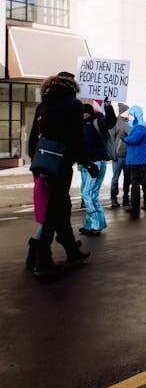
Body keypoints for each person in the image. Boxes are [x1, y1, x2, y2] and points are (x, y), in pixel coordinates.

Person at [27, 71, 99, 276]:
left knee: (61, 205)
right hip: (61, 164)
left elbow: (34, 138)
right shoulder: (72, 105)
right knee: (55, 208)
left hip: (44, 164)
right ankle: (42, 256)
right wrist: (87, 162)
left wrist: (37, 162)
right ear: (71, 85)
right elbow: (75, 138)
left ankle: (70, 250)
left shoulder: (45, 104)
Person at [80, 100, 117, 235]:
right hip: (86, 164)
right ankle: (91, 224)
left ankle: (96, 225)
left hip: (95, 163)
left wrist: (108, 106)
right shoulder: (81, 125)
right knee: (90, 194)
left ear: (86, 114)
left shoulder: (97, 121)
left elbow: (111, 121)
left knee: (88, 194)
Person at [123, 105, 146, 219]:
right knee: (143, 181)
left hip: (137, 159)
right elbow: (131, 125)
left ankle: (135, 207)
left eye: (131, 114)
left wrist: (124, 139)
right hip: (139, 158)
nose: (129, 116)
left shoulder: (140, 126)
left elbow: (134, 139)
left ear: (135, 114)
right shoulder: (139, 124)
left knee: (135, 182)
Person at [110, 102, 131, 207]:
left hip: (127, 156)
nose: (129, 113)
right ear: (122, 112)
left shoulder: (127, 123)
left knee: (127, 179)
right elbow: (110, 138)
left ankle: (126, 198)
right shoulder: (116, 123)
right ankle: (113, 199)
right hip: (117, 157)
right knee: (115, 178)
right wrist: (113, 153)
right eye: (127, 111)